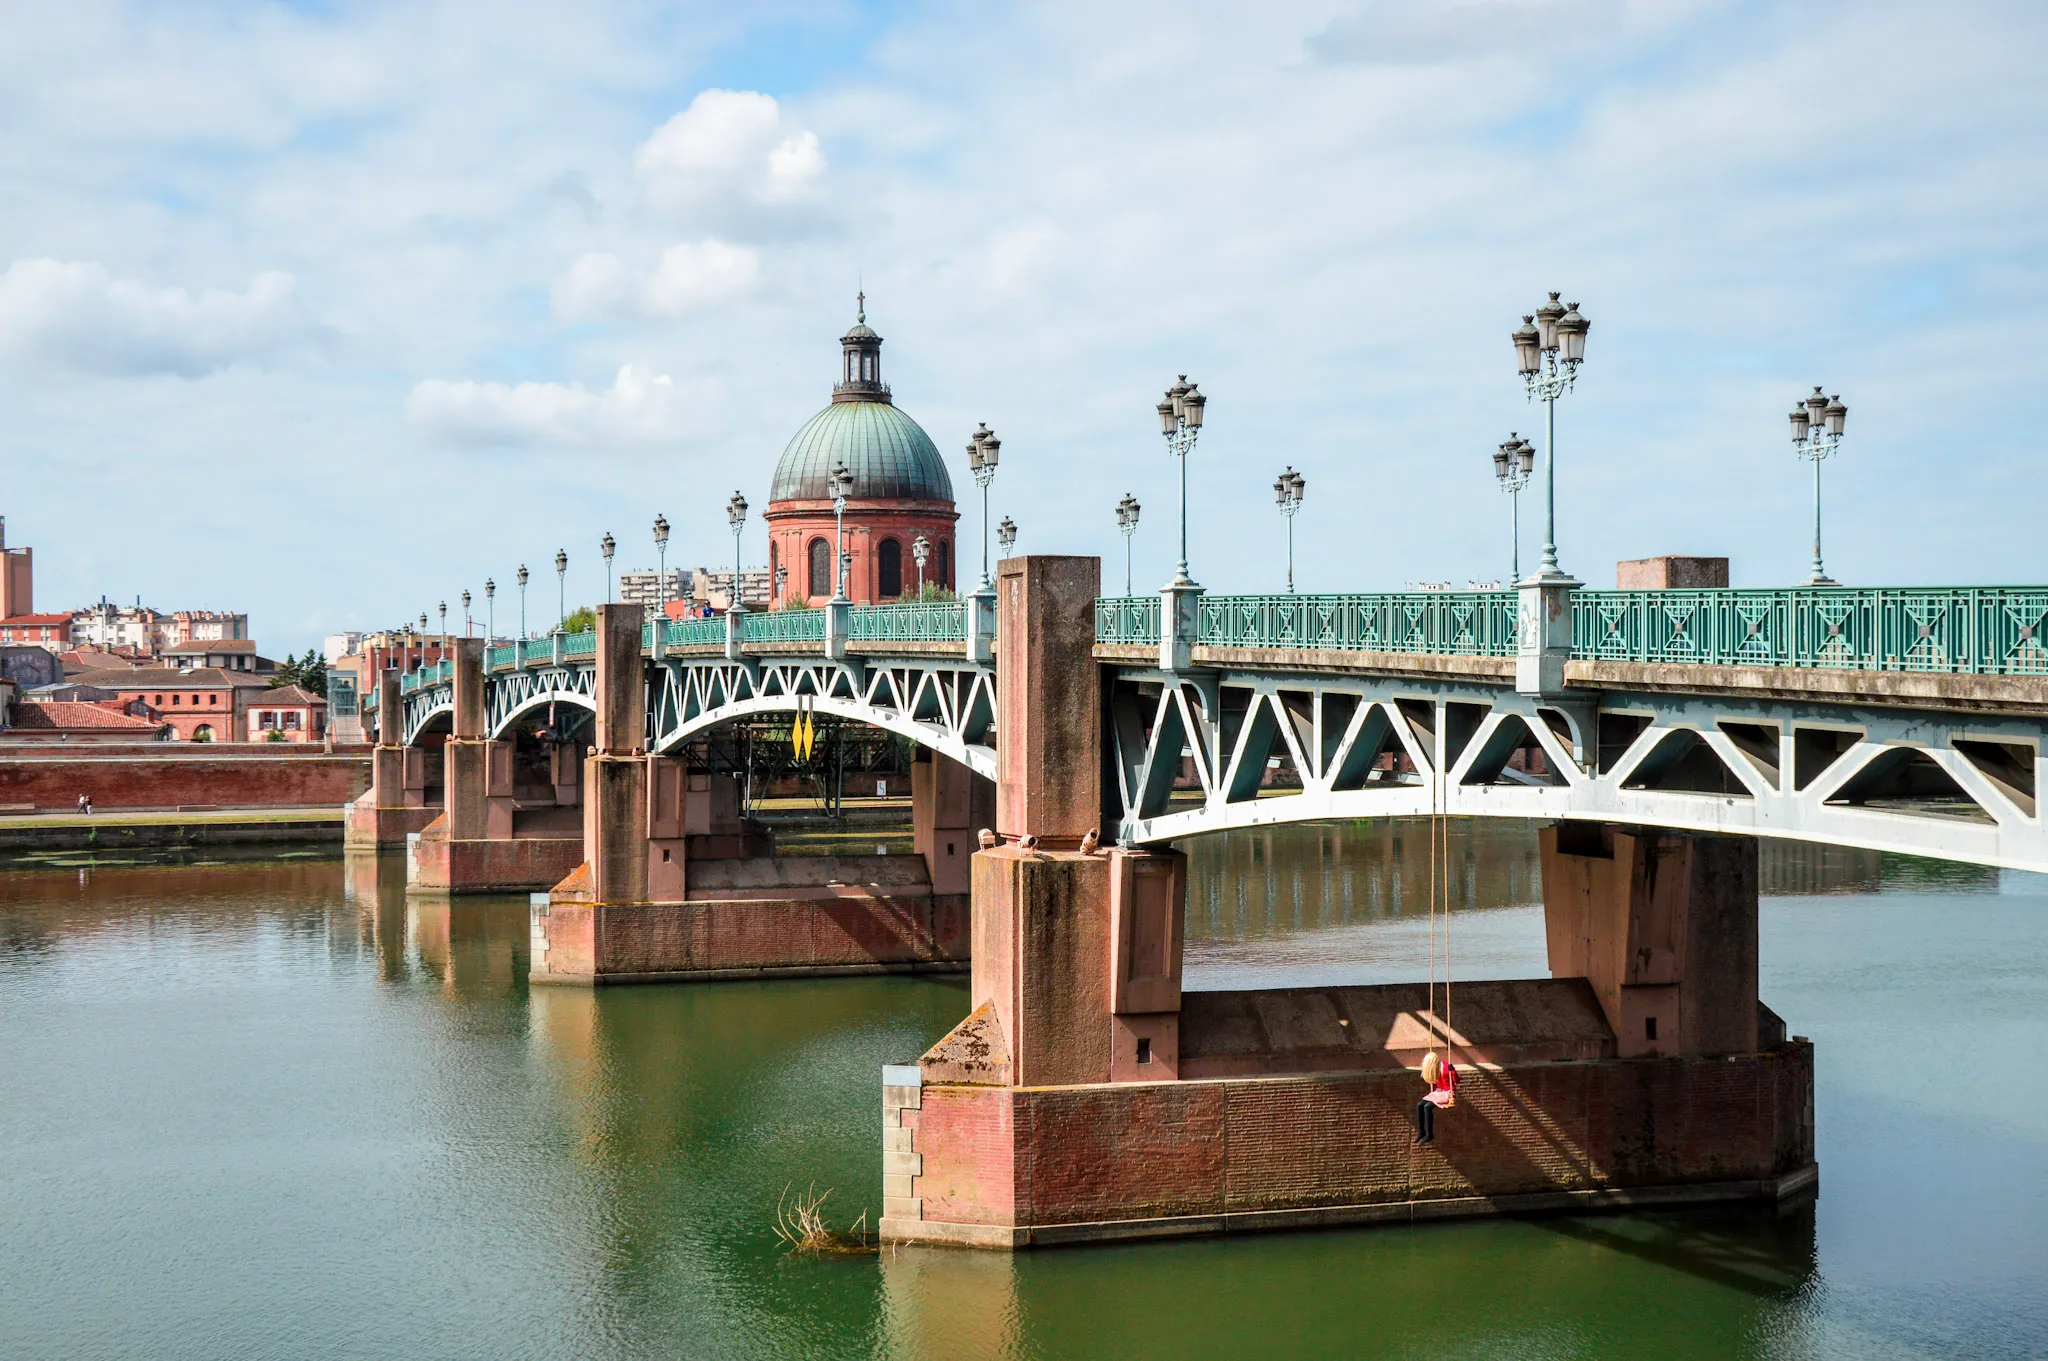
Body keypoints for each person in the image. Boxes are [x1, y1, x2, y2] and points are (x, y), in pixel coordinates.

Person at [1415, 1049, 1457, 1145]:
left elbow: (1457, 1080)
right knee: (1420, 1105)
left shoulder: (1445, 1066)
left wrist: (1453, 1071)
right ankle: (1421, 1131)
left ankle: (1430, 1134)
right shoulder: (1434, 1069)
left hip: (1447, 1092)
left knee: (1427, 1107)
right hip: (1438, 1092)